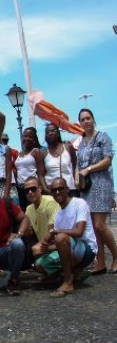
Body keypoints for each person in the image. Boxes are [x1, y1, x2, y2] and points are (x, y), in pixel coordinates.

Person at [75, 108, 116, 274]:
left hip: (101, 183)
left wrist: (89, 169)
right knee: (92, 226)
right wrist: (77, 176)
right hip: (86, 186)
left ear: (93, 119)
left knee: (100, 225)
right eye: (83, 119)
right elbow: (78, 165)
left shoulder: (103, 137)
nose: (86, 121)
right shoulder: (81, 142)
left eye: (88, 118)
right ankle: (100, 262)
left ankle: (115, 256)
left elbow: (107, 160)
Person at [47, 178, 98, 297]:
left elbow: (79, 232)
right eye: (54, 190)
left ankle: (68, 282)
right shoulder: (58, 214)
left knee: (60, 238)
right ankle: (76, 272)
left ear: (67, 189)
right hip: (71, 248)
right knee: (39, 264)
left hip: (87, 250)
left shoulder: (79, 203)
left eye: (60, 188)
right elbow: (59, 243)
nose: (57, 192)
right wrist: (45, 248)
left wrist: (56, 231)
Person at [23, 175, 62, 278]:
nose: (30, 192)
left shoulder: (50, 202)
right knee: (38, 265)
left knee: (38, 259)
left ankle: (72, 271)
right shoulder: (28, 209)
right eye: (27, 191)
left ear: (39, 189)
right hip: (47, 245)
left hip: (59, 243)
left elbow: (52, 230)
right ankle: (58, 274)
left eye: (33, 189)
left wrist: (39, 245)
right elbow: (29, 232)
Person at [36, 123, 77, 194]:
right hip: (53, 190)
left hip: (70, 188)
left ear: (58, 133)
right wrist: (46, 189)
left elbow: (76, 166)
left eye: (52, 131)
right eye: (47, 132)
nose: (50, 133)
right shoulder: (42, 153)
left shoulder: (68, 147)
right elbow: (41, 175)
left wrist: (76, 181)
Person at [14, 129, 41, 209]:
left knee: (34, 209)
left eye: (30, 137)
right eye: (25, 136)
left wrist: (38, 187)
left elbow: (40, 172)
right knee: (24, 211)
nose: (27, 139)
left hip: (31, 188)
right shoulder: (19, 153)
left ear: (33, 139)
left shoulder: (35, 152)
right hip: (21, 188)